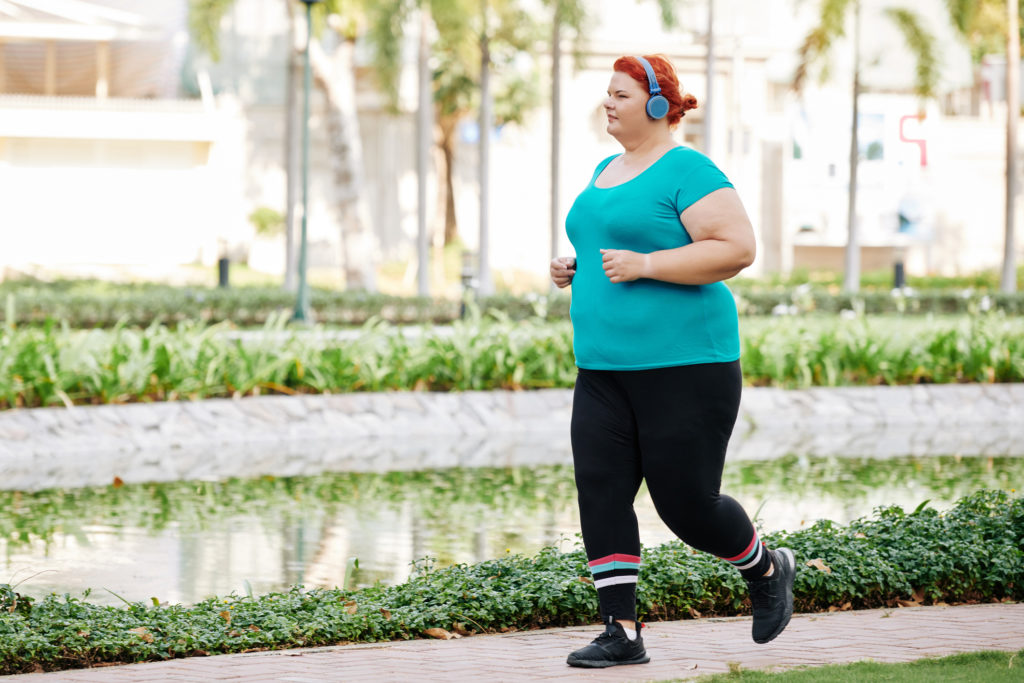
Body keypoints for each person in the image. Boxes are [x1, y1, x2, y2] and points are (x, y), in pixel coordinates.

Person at [551, 54, 795, 669]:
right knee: (601, 493)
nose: (608, 103)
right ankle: (622, 632)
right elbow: (612, 247)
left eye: (621, 95)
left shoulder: (688, 167)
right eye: (606, 93)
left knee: (685, 504)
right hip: (604, 370)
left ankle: (766, 568)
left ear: (658, 105)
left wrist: (646, 265)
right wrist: (572, 267)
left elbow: (737, 248)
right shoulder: (606, 168)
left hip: (686, 366)